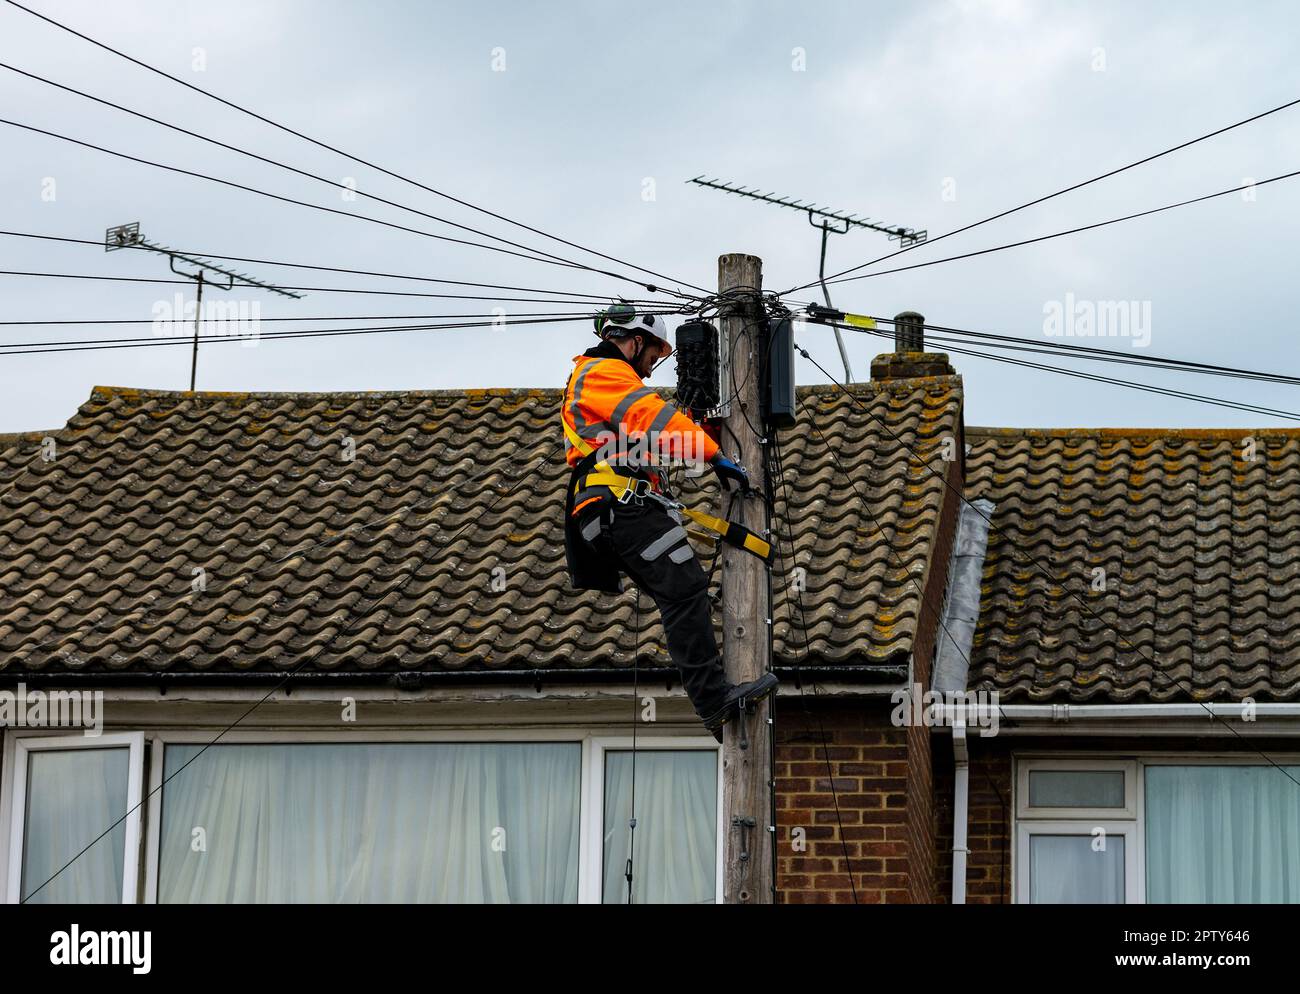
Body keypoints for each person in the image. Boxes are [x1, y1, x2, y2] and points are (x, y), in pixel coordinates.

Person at [561, 304, 778, 742]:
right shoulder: (602, 371)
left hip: (615, 509)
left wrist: (702, 448)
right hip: (619, 507)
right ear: (635, 341)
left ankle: (713, 700)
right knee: (684, 588)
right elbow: (655, 419)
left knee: (681, 590)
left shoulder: (598, 379)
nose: (651, 366)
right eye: (653, 354)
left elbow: (651, 431)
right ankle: (713, 700)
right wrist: (713, 454)